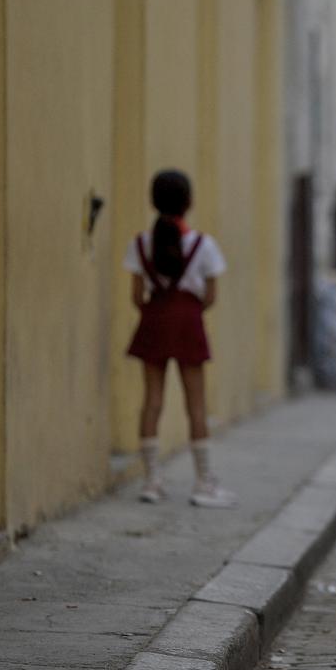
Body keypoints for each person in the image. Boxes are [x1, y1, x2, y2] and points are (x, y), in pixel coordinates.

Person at [125, 169, 236, 508]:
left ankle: (152, 481)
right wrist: (187, 308)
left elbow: (136, 297)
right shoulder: (204, 245)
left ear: (152, 201)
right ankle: (203, 483)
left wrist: (159, 306)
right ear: (189, 202)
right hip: (188, 324)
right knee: (196, 404)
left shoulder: (141, 244)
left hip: (154, 321)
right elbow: (211, 297)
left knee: (152, 400)